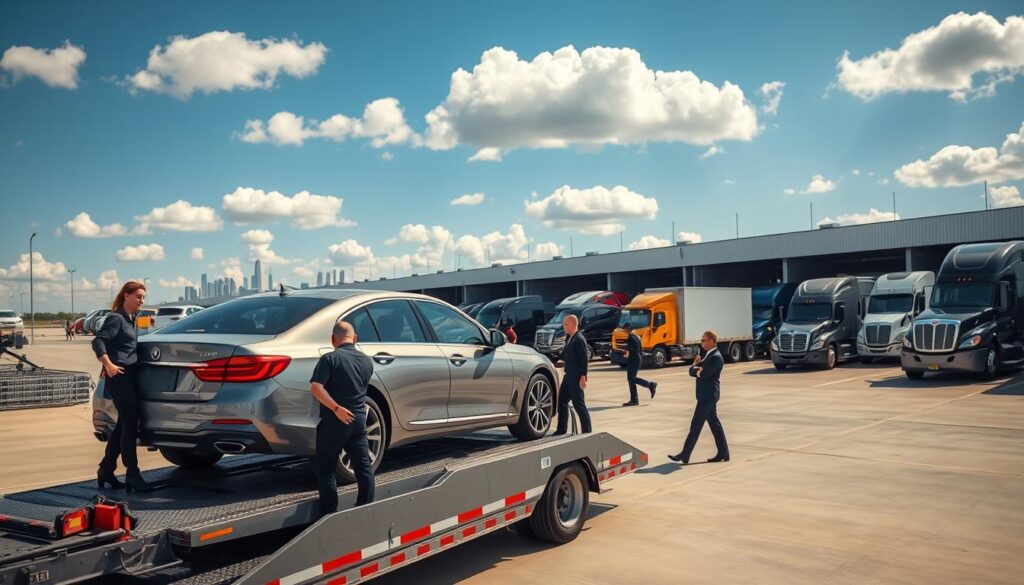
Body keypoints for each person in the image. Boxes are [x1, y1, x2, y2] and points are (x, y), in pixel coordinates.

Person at [310, 319, 375, 515]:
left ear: (333, 340)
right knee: (363, 467)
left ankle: (330, 513)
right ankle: (365, 508)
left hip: (334, 422)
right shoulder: (366, 361)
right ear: (355, 338)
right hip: (358, 422)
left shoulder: (329, 359)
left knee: (327, 468)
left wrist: (336, 408)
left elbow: (316, 387)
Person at [93, 280, 150, 491]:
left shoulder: (131, 320)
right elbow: (98, 341)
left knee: (122, 425)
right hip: (119, 377)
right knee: (130, 423)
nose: (141, 301)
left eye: (143, 298)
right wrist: (108, 364)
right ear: (126, 295)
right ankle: (132, 473)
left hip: (130, 376)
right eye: (138, 297)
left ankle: (106, 469)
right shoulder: (116, 318)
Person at [669, 330, 730, 465]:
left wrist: (696, 369)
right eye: (701, 340)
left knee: (696, 424)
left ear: (712, 341)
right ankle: (723, 452)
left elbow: (704, 374)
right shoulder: (708, 356)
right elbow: (694, 371)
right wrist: (696, 368)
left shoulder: (716, 357)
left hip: (708, 396)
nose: (701, 343)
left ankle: (685, 455)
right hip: (706, 395)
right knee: (714, 424)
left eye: (704, 340)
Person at [553, 314, 592, 435]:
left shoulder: (579, 339)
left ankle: (587, 431)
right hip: (568, 375)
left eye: (566, 324)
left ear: (573, 324)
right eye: (564, 324)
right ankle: (561, 429)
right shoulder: (569, 338)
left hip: (576, 377)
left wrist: (583, 377)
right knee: (562, 402)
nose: (564, 326)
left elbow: (584, 360)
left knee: (579, 405)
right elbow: (564, 355)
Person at [621, 322, 657, 406]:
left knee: (631, 379)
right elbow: (640, 349)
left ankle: (649, 386)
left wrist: (627, 354)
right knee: (632, 379)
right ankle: (636, 398)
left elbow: (632, 350)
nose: (625, 331)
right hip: (638, 360)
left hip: (634, 360)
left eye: (625, 330)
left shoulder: (631, 338)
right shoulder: (637, 336)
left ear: (628, 329)